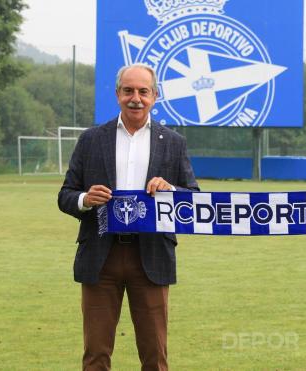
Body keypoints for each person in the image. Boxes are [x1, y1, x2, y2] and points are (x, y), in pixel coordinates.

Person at [58, 63, 199, 371]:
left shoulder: (174, 142)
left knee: (155, 356)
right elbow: (65, 195)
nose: (136, 98)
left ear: (155, 96)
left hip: (151, 256)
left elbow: (192, 198)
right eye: (128, 91)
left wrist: (169, 189)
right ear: (117, 94)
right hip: (100, 257)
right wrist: (85, 199)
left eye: (143, 91)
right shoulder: (92, 139)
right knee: (95, 355)